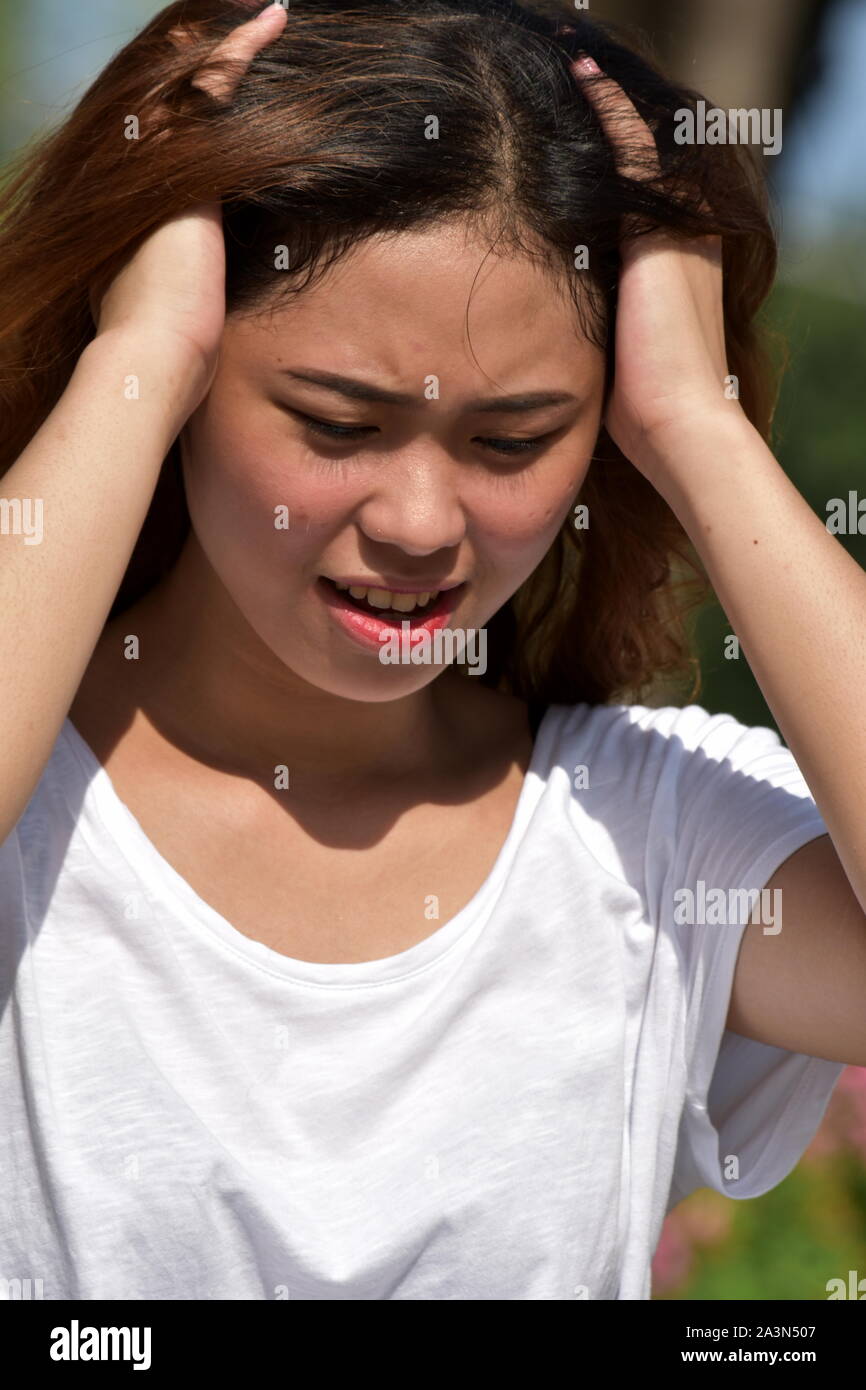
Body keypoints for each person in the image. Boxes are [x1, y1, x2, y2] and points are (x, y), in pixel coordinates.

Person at [0, 0, 863, 1302]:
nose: (417, 523)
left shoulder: (649, 835)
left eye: (512, 440)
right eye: (334, 422)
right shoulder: (32, 816)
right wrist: (136, 347)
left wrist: (699, 420)